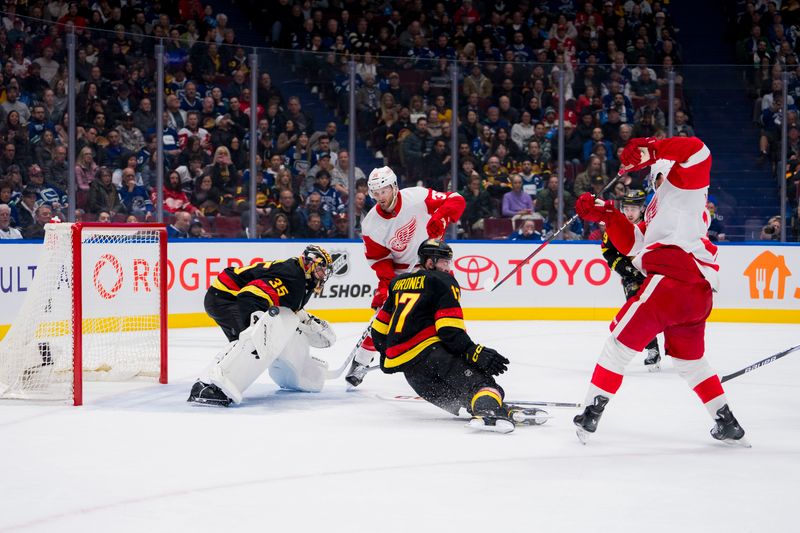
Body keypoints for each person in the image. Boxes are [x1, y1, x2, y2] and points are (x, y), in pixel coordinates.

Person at [573, 135, 749, 446]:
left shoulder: (686, 187)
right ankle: (727, 421)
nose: (652, 177)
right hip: (696, 294)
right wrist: (607, 215)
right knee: (690, 362)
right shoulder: (661, 205)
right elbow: (634, 245)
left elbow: (698, 150)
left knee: (618, 346)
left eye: (656, 170)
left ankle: (590, 412)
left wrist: (651, 148)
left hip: (671, 281)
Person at [371, 239, 546, 433]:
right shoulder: (443, 281)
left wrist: (388, 355)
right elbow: (449, 330)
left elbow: (378, 331)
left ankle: (482, 405)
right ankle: (489, 408)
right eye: (444, 262)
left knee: (460, 399)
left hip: (412, 375)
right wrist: (473, 351)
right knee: (483, 385)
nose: (448, 267)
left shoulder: (397, 283)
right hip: (432, 355)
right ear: (430, 262)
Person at [345, 166, 466, 387]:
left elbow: (456, 199)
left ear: (394, 187)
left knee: (447, 312)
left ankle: (454, 356)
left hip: (433, 266)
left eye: (384, 191)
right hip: (402, 273)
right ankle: (361, 361)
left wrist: (439, 215)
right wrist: (388, 285)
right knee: (386, 316)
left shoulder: (417, 197)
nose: (380, 197)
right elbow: (380, 259)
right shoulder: (371, 224)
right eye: (376, 193)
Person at [188, 245, 337, 406]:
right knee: (248, 342)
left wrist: (309, 321)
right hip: (226, 297)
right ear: (309, 263)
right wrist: (257, 326)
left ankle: (210, 383)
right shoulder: (294, 277)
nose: (323, 274)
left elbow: (286, 306)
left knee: (245, 342)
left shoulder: (299, 276)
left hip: (228, 296)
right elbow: (250, 294)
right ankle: (205, 385)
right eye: (321, 268)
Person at [600, 190, 662, 370]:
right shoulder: (616, 226)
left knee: (667, 313)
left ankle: (677, 349)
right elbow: (607, 251)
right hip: (632, 279)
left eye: (633, 208)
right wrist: (626, 269)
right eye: (626, 208)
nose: (629, 212)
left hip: (655, 275)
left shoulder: (652, 226)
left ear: (642, 209)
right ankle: (653, 350)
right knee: (639, 314)